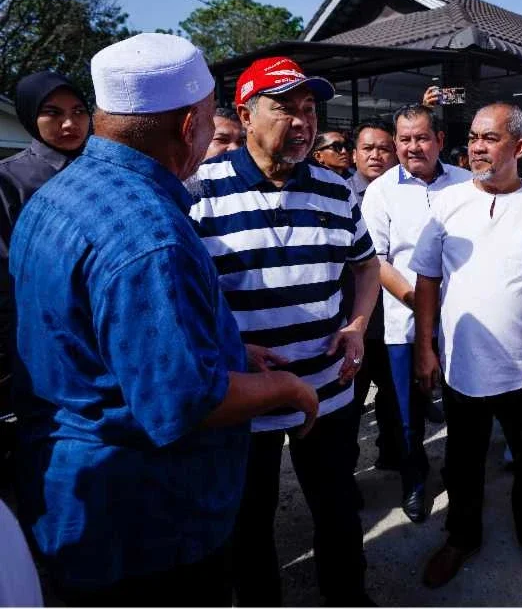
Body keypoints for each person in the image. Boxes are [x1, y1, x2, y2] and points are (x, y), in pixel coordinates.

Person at [9, 32, 319, 606]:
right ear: (188, 126)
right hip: (146, 522)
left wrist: (230, 351)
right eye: (209, 119)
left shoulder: (58, 194)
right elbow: (182, 402)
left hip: (71, 498)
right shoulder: (150, 235)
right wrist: (287, 386)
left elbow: (99, 335)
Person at [190, 55, 381, 607]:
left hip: (326, 388)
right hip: (243, 395)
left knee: (337, 507)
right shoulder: (200, 191)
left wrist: (358, 323)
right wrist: (226, 344)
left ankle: (347, 597)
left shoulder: (336, 189)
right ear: (247, 116)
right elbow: (184, 291)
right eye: (284, 109)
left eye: (308, 109)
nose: (301, 121)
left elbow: (366, 264)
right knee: (249, 520)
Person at [411, 103, 522, 593]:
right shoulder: (448, 202)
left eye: (490, 138)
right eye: (474, 138)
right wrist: (425, 346)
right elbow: (427, 278)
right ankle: (461, 536)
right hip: (462, 364)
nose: (477, 147)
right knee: (461, 461)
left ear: (519, 147)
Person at [360, 105, 471, 522]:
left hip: (461, 320)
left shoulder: (465, 183)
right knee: (408, 412)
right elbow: (377, 260)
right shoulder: (382, 190)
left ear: (440, 140)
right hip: (402, 320)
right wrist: (417, 300)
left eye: (421, 138)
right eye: (403, 139)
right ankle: (415, 478)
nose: (412, 147)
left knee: (463, 406)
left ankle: (460, 477)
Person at [0, 71, 90, 430]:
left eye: (79, 110)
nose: (70, 123)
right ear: (28, 115)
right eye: (52, 112)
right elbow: (6, 274)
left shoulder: (105, 172)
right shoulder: (9, 180)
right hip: (39, 341)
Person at [343, 118, 401, 476]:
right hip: (353, 317)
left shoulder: (407, 194)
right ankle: (345, 476)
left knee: (395, 395)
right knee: (350, 399)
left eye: (384, 148)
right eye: (368, 148)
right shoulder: (337, 194)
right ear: (354, 154)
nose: (376, 155)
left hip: (397, 315)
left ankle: (394, 457)